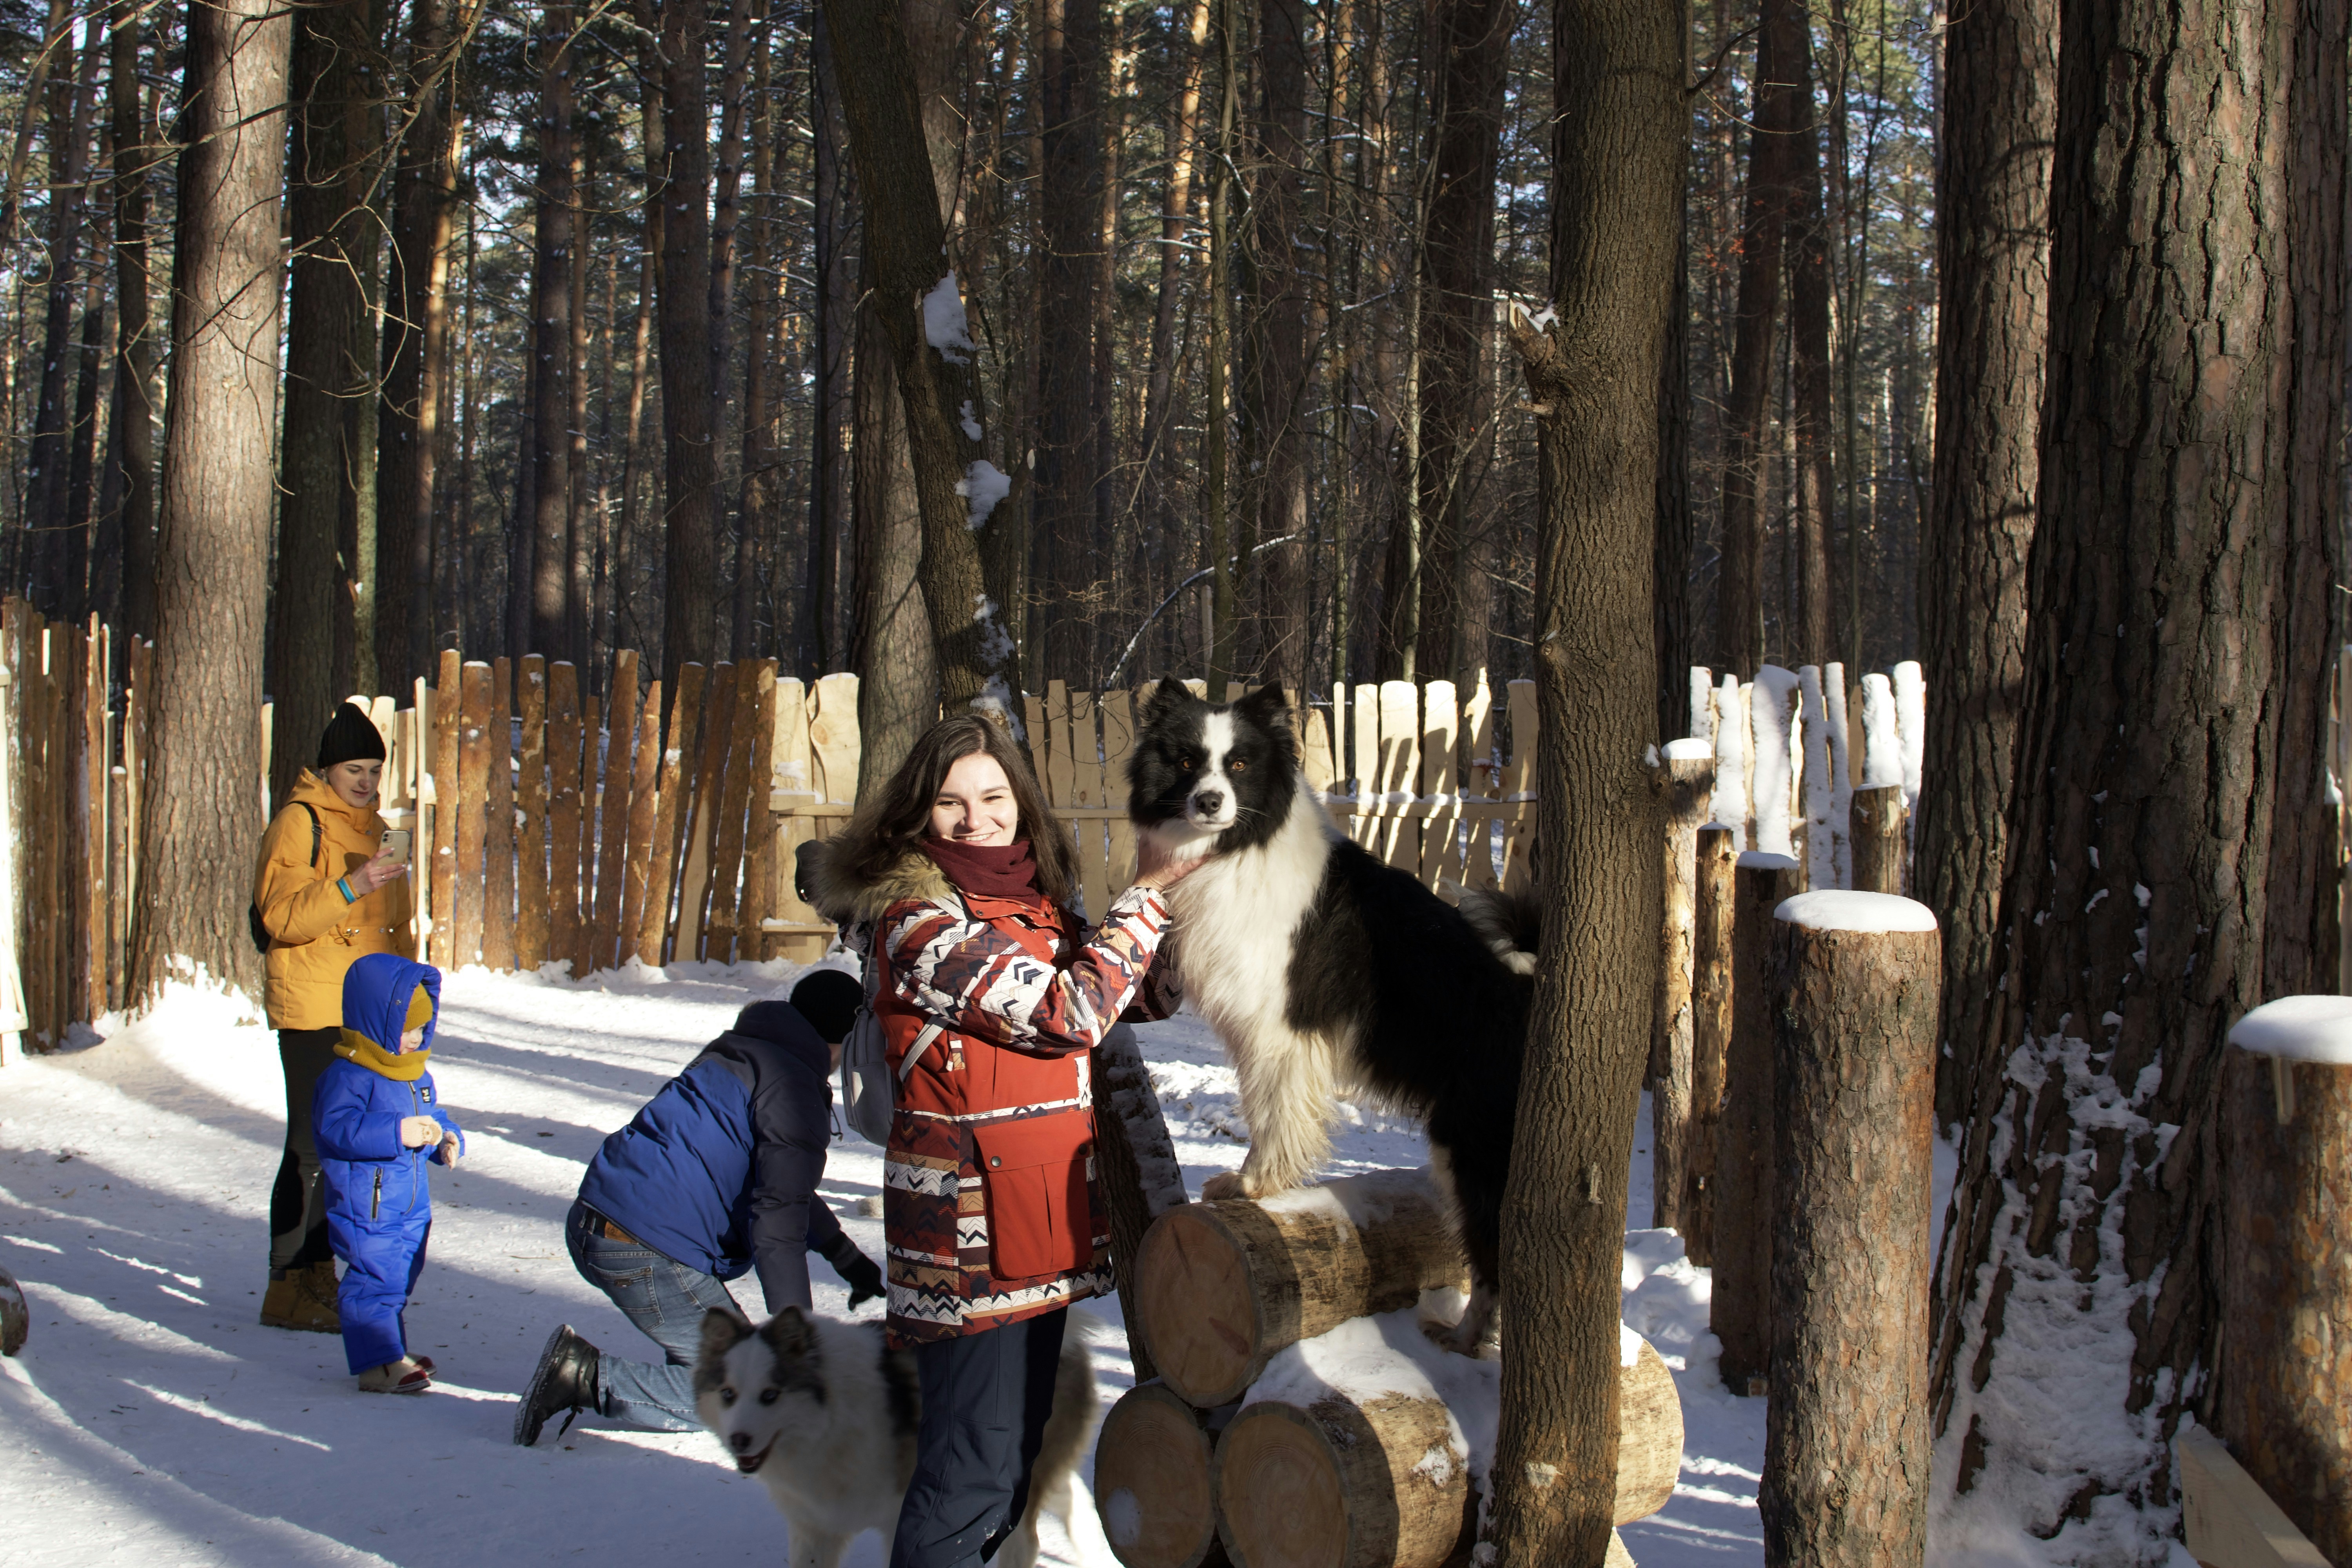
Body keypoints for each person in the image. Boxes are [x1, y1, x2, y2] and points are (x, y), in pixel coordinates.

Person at [796, 714, 1198, 1568]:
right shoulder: (914, 920)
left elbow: (1136, 995)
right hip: (964, 1249)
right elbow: (1069, 1011)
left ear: (1022, 802)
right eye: (950, 802)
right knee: (966, 1477)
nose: (975, 819)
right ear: (918, 812)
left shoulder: (1033, 906)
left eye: (992, 796)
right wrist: (1149, 895)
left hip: (1036, 1226)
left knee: (1009, 1472)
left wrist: (1192, 903)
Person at [511, 968, 887, 1445]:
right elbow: (778, 1220)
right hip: (645, 1245)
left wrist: (841, 1252)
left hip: (599, 1217)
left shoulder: (738, 1050)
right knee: (746, 1392)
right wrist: (798, 1342)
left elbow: (776, 1184)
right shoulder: (794, 1090)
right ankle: (581, 1376)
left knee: (729, 1367)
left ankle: (647, 1375)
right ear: (849, 1039)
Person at [252, 701, 413, 1333]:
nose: (366, 781)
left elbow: (395, 930)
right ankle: (287, 1284)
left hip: (363, 1012)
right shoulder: (299, 822)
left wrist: (408, 1003)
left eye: (374, 769)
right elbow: (282, 917)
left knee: (344, 1148)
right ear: (328, 770)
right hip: (312, 1004)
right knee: (309, 1147)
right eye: (354, 769)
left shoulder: (380, 831)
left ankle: (319, 1275)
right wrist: (351, 886)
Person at [313, 953, 461, 1394]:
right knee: (374, 1276)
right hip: (369, 1201)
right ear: (376, 1022)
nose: (416, 1039)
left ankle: (390, 1349)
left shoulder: (414, 1073)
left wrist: (446, 1138)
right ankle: (376, 1365)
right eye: (406, 1028)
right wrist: (398, 1132)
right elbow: (337, 1128)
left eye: (422, 1028)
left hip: (410, 1200)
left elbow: (433, 1116)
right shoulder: (349, 1075)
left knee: (400, 1273)